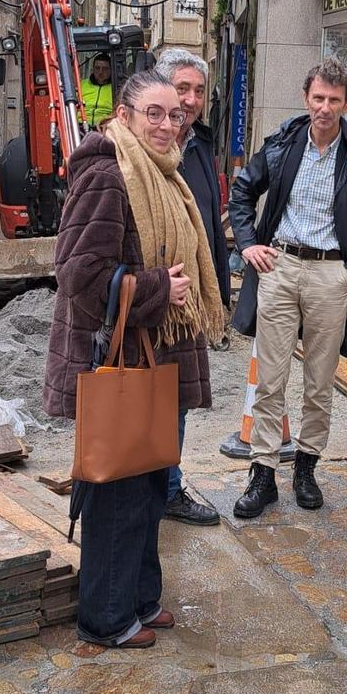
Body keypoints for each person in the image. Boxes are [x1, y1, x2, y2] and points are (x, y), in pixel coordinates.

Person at [43, 70, 225, 647]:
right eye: (155, 112)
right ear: (124, 116)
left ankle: (141, 601)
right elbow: (78, 274)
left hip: (152, 358)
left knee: (148, 489)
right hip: (117, 361)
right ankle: (107, 618)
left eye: (175, 114)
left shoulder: (163, 175)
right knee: (117, 493)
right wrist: (153, 290)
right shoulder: (106, 172)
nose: (168, 124)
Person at [229, 58, 347, 519]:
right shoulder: (284, 145)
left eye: (334, 100)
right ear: (307, 97)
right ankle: (262, 474)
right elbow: (242, 192)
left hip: (331, 274)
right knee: (269, 379)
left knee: (320, 382)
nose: (325, 107)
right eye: (318, 98)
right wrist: (248, 245)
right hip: (280, 266)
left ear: (346, 104)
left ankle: (306, 466)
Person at [155, 47, 233, 527]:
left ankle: (166, 488)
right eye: (182, 88)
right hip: (158, 293)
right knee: (155, 396)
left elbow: (209, 222)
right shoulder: (152, 144)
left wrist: (218, 293)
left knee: (179, 396)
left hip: (191, 293)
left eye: (198, 90)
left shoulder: (201, 144)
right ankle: (155, 488)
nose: (190, 99)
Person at [79, 52, 115, 128]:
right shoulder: (81, 85)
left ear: (111, 70)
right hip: (80, 126)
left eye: (105, 69)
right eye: (97, 68)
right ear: (93, 69)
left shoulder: (116, 87)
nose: (100, 72)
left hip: (105, 127)